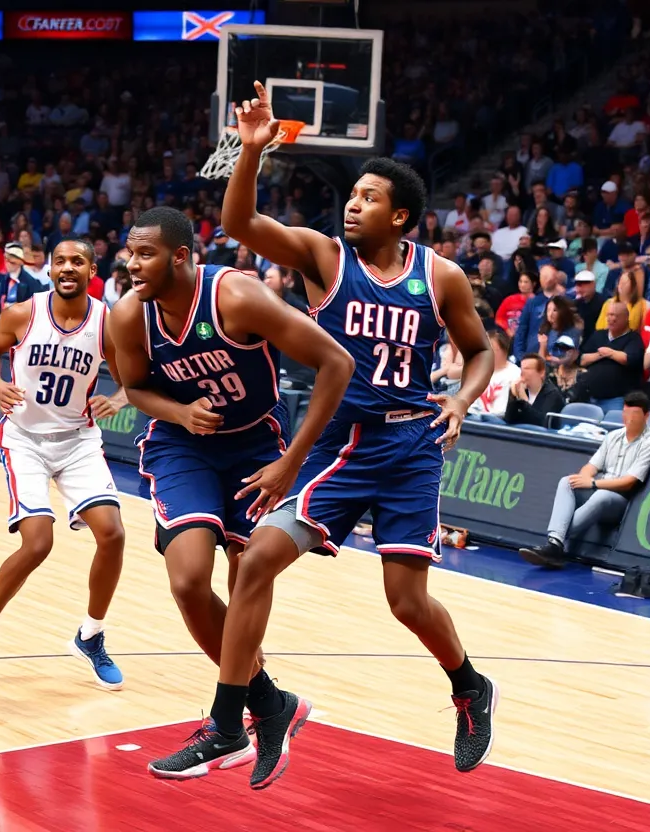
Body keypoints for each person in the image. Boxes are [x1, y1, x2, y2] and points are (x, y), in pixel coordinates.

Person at [153, 83, 498, 788]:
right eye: (353, 194)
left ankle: (469, 685)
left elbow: (480, 350)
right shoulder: (323, 258)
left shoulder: (443, 277)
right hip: (341, 443)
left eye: (370, 198)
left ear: (400, 216)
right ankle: (234, 720)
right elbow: (241, 221)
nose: (354, 204)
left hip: (411, 447)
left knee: (406, 602)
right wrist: (251, 151)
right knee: (256, 560)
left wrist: (463, 399)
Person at [110, 205, 354, 788]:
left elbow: (336, 362)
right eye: (129, 253)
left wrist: (291, 462)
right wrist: (179, 412)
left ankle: (243, 719)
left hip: (256, 447)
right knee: (189, 581)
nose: (132, 264)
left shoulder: (236, 297)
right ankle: (266, 704)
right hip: (183, 445)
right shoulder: (129, 315)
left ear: (181, 257)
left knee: (248, 580)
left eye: (145, 254)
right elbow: (135, 388)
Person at [0, 238, 129, 691]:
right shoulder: (22, 313)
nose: (67, 267)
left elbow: (131, 379)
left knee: (113, 534)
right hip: (25, 439)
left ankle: (90, 635)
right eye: (60, 261)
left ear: (92, 271)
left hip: (78, 440)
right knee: (38, 543)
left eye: (77, 261)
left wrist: (117, 399)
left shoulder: (107, 323)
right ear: (49, 269)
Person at [520, 391, 650, 569]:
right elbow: (591, 466)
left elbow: (629, 482)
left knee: (602, 495)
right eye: (626, 412)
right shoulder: (613, 436)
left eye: (635, 413)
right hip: (599, 489)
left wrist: (592, 483)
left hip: (620, 500)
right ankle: (555, 545)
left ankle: (556, 540)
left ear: (646, 416)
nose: (629, 418)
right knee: (567, 481)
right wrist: (585, 477)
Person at [505, 353, 566, 427]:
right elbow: (508, 420)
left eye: (527, 369)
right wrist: (513, 397)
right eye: (521, 368)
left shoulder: (552, 395)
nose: (522, 372)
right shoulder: (520, 389)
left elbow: (542, 424)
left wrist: (524, 401)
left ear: (541, 373)